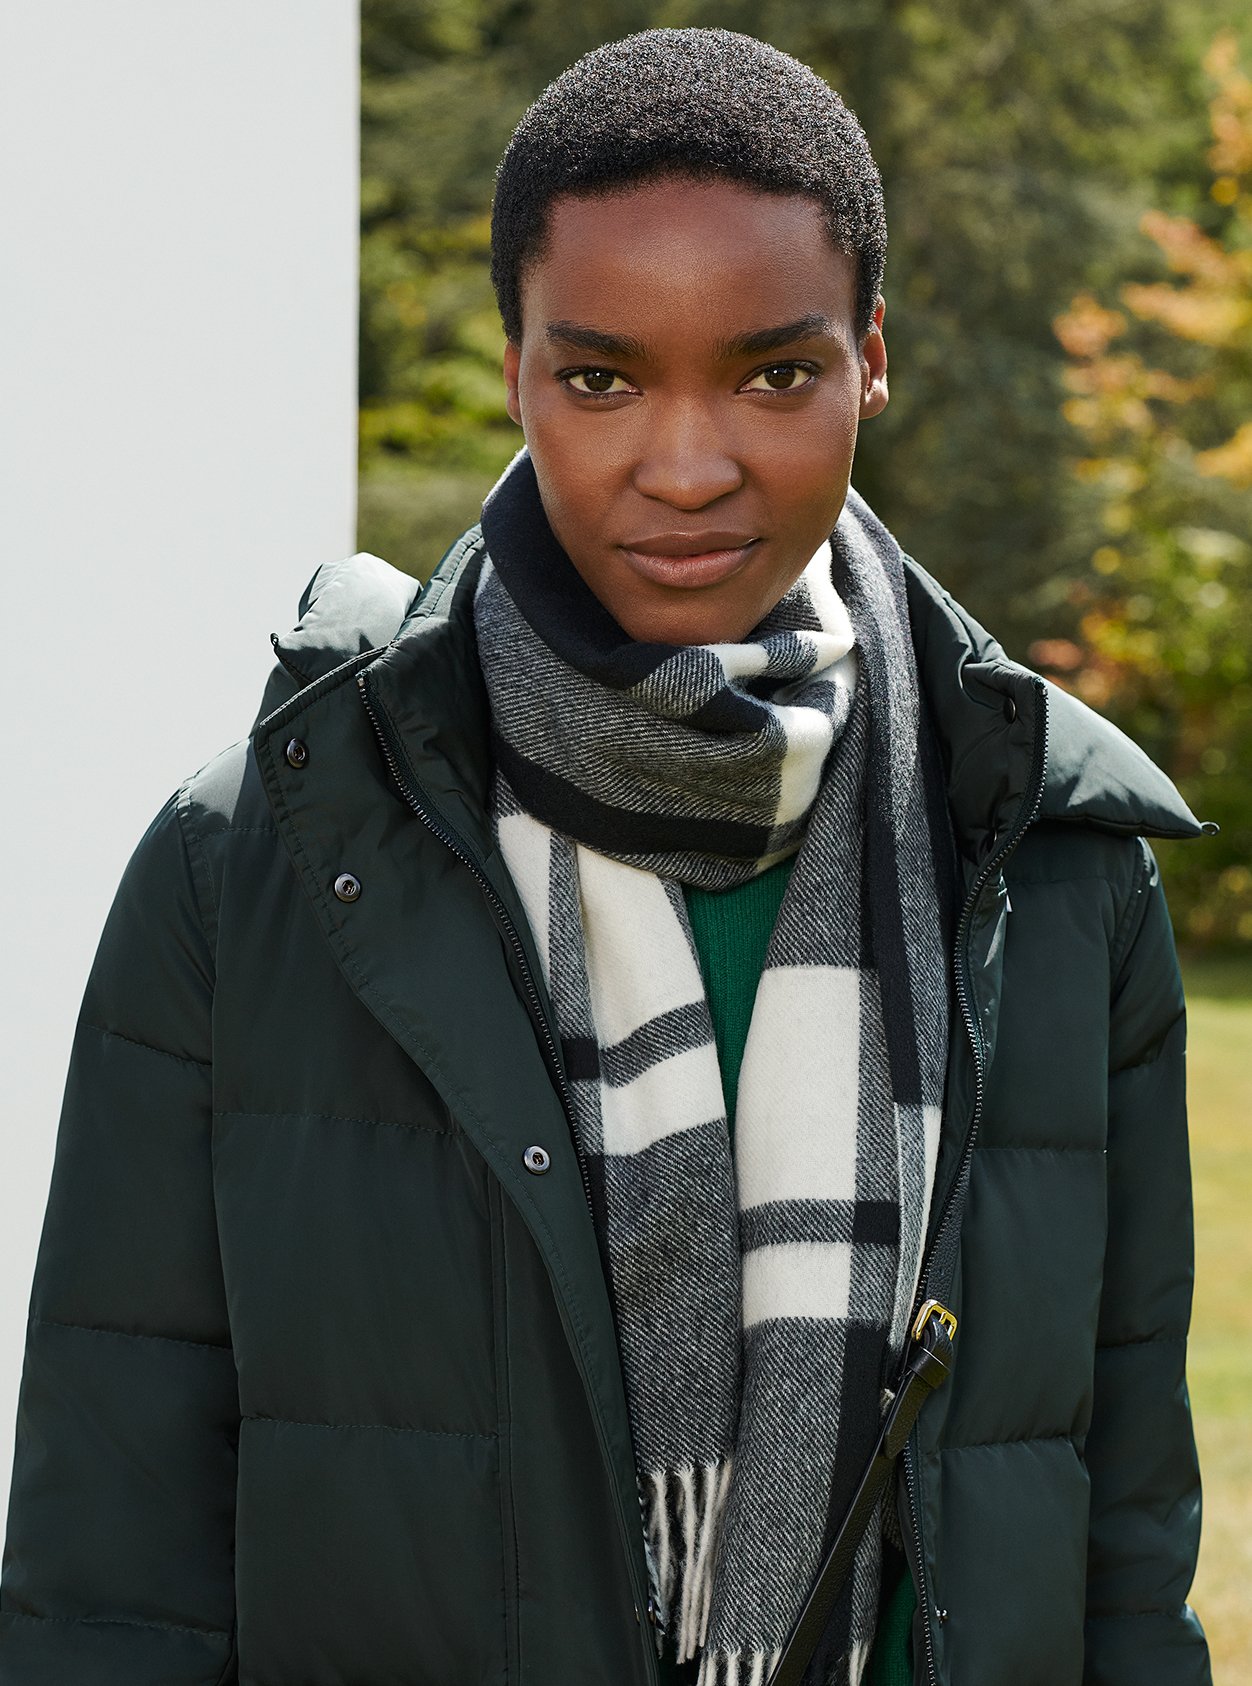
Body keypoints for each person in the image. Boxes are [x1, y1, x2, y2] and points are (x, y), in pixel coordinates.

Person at [0, 27, 1213, 1686]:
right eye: (603, 377)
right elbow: (104, 1581)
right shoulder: (254, 870)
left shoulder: (1059, 872)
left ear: (872, 358)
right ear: (516, 366)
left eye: (775, 373)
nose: (690, 463)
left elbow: (1126, 1555)